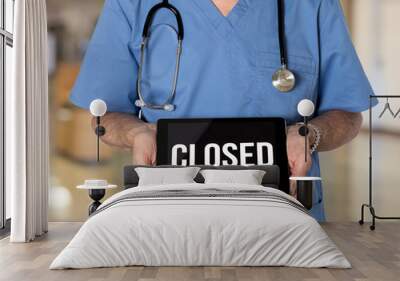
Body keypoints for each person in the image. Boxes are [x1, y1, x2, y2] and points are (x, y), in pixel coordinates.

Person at [69, 0, 377, 221]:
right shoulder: (131, 5)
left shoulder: (312, 5)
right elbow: (104, 114)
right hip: (168, 212)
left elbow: (347, 113)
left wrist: (308, 135)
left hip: (284, 214)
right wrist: (138, 133)